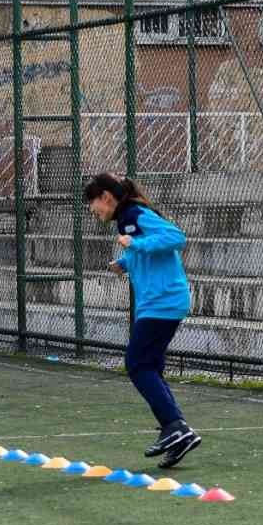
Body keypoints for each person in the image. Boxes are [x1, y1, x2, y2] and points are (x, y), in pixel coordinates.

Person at [84, 172, 201, 469]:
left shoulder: (135, 214)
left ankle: (175, 426)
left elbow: (176, 237)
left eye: (93, 202)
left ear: (106, 198)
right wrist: (125, 262)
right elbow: (147, 247)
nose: (92, 209)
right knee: (151, 367)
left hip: (163, 302)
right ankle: (177, 432)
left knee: (137, 364)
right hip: (158, 303)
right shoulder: (127, 219)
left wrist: (134, 247)